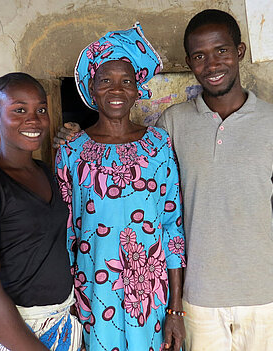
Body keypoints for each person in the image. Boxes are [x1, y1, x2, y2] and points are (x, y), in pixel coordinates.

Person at [55, 10, 273, 351]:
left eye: (221, 51)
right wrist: (69, 137)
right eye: (200, 56)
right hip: (195, 296)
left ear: (239, 51)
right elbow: (70, 226)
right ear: (189, 62)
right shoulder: (171, 126)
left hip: (259, 291)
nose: (212, 64)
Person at [55, 23, 186, 351]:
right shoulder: (71, 151)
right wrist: (69, 306)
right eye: (106, 81)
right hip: (94, 298)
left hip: (153, 299)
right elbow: (65, 232)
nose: (117, 89)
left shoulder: (159, 145)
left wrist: (175, 308)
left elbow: (172, 230)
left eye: (126, 81)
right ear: (92, 88)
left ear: (137, 89)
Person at [0, 73, 83, 351]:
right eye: (19, 110)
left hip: (59, 324)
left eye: (41, 110)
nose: (34, 119)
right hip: (12, 335)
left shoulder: (46, 173)